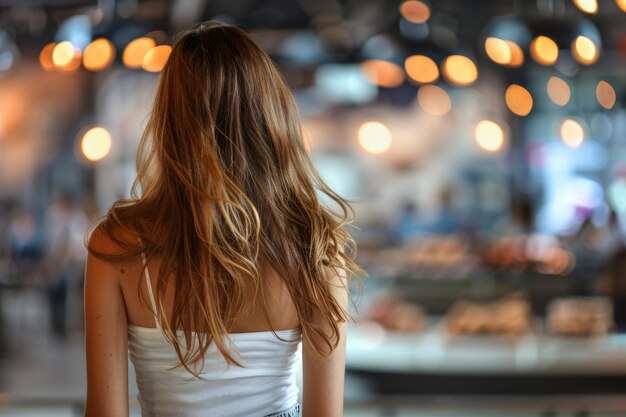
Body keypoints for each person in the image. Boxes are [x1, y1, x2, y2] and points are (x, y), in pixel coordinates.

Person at [83, 21, 364, 417]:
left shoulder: (116, 245)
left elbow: (104, 413)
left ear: (169, 122)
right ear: (271, 118)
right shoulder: (314, 249)